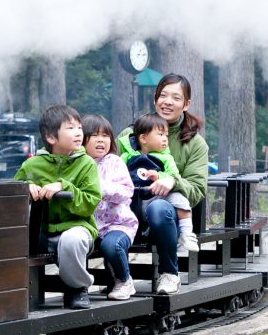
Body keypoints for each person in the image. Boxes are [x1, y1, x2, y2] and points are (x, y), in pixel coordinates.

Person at [117, 74, 209, 295]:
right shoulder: (129, 135)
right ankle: (118, 278)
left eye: (176, 98)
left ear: (186, 104)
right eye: (163, 95)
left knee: (159, 208)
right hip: (129, 208)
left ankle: (169, 274)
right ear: (155, 99)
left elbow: (197, 190)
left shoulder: (195, 144)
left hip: (168, 215)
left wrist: (172, 181)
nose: (167, 102)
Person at [14, 105, 101, 310]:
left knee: (72, 240)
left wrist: (64, 186)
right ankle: (15, 293)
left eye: (79, 127)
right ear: (51, 137)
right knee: (9, 241)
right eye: (70, 128)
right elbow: (11, 198)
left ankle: (77, 288)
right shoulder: (31, 165)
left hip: (77, 229)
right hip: (40, 233)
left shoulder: (87, 164)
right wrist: (25, 189)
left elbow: (90, 202)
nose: (79, 132)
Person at [119, 113, 199, 254]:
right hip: (133, 199)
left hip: (158, 197)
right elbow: (117, 174)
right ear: (143, 138)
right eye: (160, 135)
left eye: (166, 136)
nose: (165, 139)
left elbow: (174, 176)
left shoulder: (166, 158)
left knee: (180, 199)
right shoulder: (126, 156)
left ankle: (186, 233)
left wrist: (159, 176)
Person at [82, 114, 138, 301]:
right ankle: (78, 288)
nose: (101, 140)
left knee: (111, 246)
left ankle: (124, 281)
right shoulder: (79, 164)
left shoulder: (114, 162)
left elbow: (126, 192)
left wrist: (99, 187)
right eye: (95, 135)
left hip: (118, 225)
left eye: (106, 136)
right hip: (89, 226)